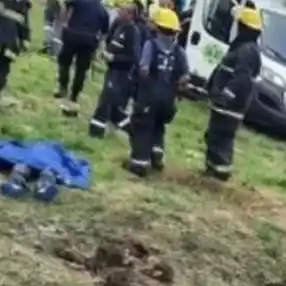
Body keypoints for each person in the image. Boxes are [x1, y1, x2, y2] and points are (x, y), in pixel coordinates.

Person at [123, 7, 186, 177]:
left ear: (157, 28)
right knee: (159, 125)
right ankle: (157, 155)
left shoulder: (150, 45)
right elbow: (184, 78)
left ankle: (139, 163)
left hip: (149, 96)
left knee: (142, 126)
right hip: (168, 100)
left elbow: (143, 69)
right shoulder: (179, 51)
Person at [203, 3, 261, 181]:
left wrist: (226, 95)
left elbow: (241, 79)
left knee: (222, 136)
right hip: (225, 104)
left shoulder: (247, 50)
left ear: (243, 27)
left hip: (230, 105)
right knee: (214, 135)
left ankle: (220, 173)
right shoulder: (241, 47)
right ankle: (213, 169)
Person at [88, 0, 142, 137]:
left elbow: (134, 58)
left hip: (122, 74)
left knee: (106, 101)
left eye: (122, 11)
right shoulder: (119, 25)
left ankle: (95, 132)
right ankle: (133, 131)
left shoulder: (133, 32)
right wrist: (105, 53)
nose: (118, 12)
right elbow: (112, 43)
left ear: (130, 15)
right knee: (115, 106)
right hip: (112, 71)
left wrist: (114, 58)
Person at [52, 0, 110, 115]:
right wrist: (98, 48)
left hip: (73, 35)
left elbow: (65, 4)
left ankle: (63, 86)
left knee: (64, 61)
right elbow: (104, 33)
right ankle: (74, 96)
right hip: (89, 41)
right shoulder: (103, 11)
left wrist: (63, 22)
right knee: (81, 70)